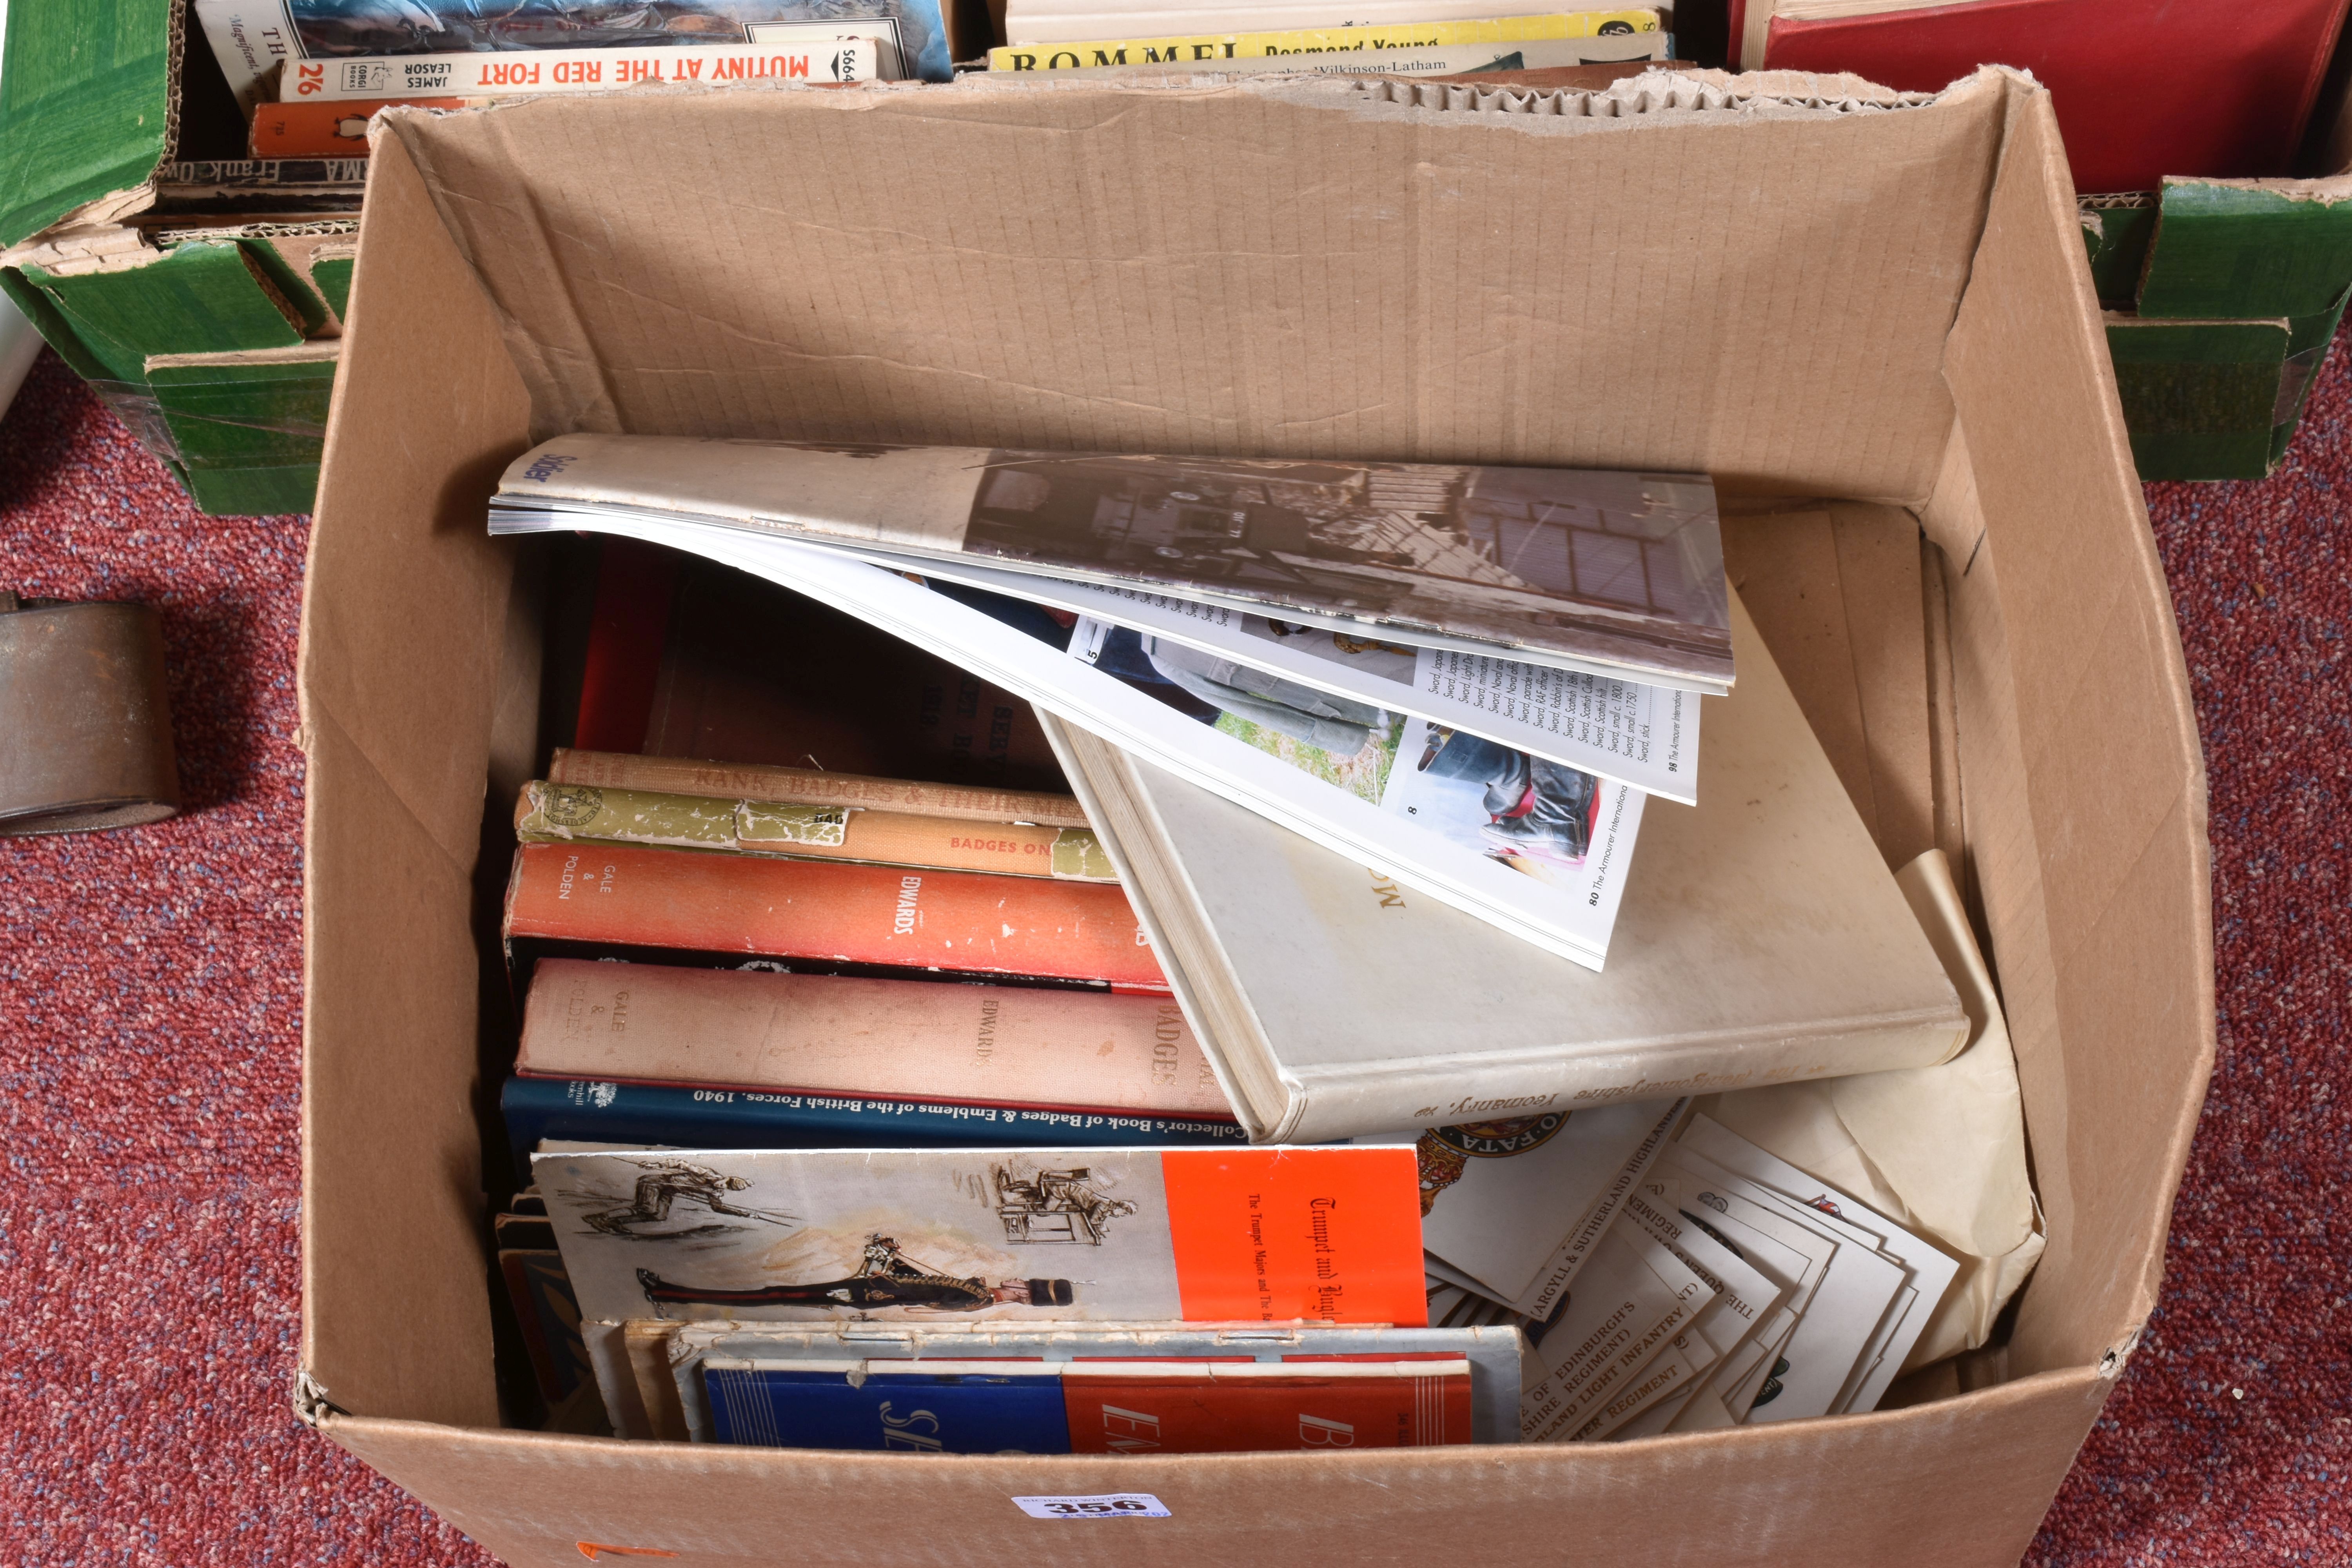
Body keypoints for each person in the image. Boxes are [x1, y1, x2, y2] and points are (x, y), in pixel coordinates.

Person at [634, 1234, 1074, 1312]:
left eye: (1024, 1284)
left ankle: (672, 1295)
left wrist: (886, 1272)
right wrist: (893, 1255)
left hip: (867, 1295)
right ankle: (672, 1292)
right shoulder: (977, 1290)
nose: (1016, 1279)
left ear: (1021, 1294)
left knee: (776, 1294)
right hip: (872, 1287)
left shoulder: (977, 1298)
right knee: (776, 1291)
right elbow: (919, 1283)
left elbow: (915, 1297)